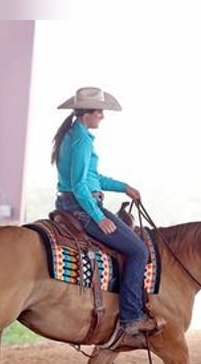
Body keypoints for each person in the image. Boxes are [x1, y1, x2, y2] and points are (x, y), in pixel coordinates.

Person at [51, 86, 160, 337]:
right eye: (99, 111)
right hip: (82, 208)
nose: (102, 116)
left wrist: (123, 187)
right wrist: (99, 218)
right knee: (139, 251)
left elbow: (92, 177)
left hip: (74, 203)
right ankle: (131, 317)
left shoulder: (76, 135)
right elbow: (80, 187)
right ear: (86, 113)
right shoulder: (80, 141)